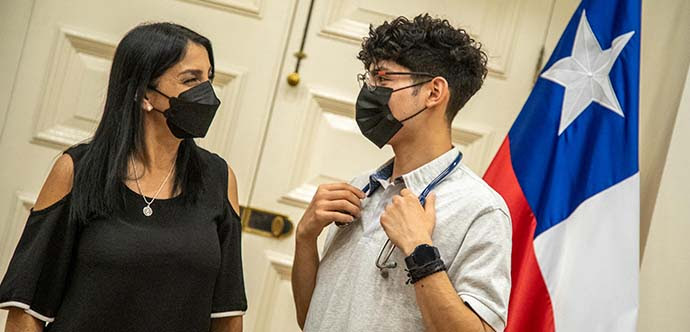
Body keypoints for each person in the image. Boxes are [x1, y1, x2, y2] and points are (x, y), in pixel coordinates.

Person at [0, 23, 246, 332]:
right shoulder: (77, 171)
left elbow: (227, 316)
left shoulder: (219, 179)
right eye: (190, 79)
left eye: (208, 78)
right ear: (144, 93)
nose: (206, 93)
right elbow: (26, 312)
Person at [291, 14, 511, 332]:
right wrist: (305, 237)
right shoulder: (358, 189)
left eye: (383, 79)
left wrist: (420, 251)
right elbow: (311, 317)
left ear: (434, 93)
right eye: (368, 80)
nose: (369, 92)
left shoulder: (480, 210)